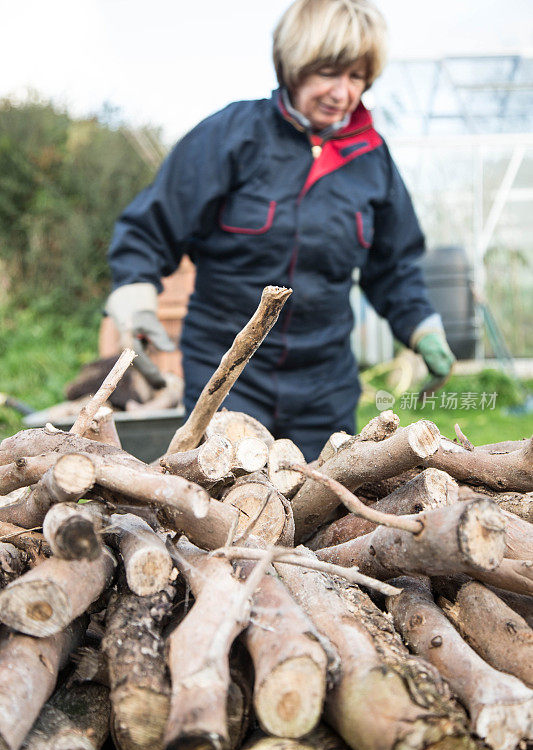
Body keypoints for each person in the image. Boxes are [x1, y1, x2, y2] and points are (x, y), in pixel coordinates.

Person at [106, 0, 455, 461]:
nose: (342, 93)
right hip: (226, 375)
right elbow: (152, 226)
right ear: (295, 65)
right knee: (226, 505)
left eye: (357, 78)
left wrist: (423, 328)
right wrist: (134, 295)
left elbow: (394, 267)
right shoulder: (232, 136)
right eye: (330, 72)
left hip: (325, 385)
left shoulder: (371, 159)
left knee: (321, 509)